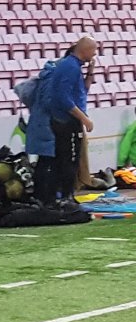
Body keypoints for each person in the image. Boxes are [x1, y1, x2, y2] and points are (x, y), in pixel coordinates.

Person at [26, 36, 97, 204]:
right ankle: (64, 197)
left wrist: (90, 72)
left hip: (65, 120)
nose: (95, 54)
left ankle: (57, 197)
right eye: (93, 50)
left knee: (64, 160)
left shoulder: (73, 67)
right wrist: (84, 119)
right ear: (85, 50)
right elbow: (63, 99)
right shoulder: (69, 68)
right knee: (67, 160)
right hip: (65, 121)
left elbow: (80, 92)